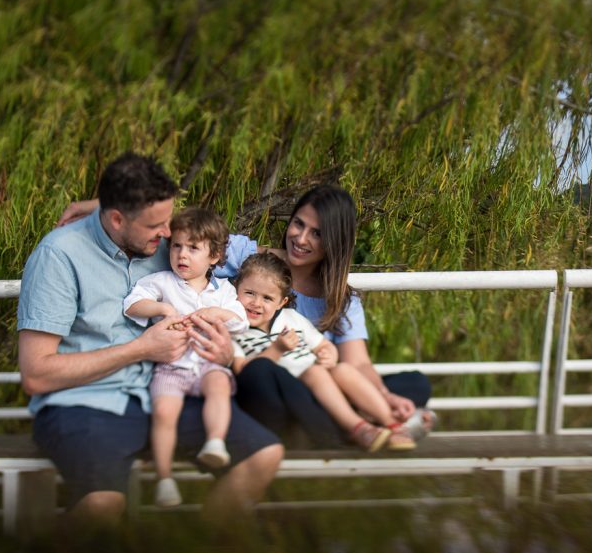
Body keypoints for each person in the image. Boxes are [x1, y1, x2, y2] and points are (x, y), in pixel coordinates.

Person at [57, 184, 434, 449]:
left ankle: (360, 421)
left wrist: (385, 394)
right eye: (298, 223)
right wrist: (104, 207)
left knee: (413, 384)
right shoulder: (245, 259)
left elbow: (358, 365)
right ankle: (358, 426)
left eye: (317, 233)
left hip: (322, 389)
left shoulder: (342, 300)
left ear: (335, 241)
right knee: (265, 372)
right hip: (263, 386)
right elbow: (186, 225)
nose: (301, 238)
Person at [19, 152, 282, 526]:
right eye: (157, 226)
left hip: (164, 391)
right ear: (116, 219)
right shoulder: (58, 256)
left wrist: (224, 353)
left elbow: (236, 251)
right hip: (87, 404)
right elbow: (36, 374)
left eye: (168, 222)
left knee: (264, 454)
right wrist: (141, 349)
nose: (167, 235)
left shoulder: (171, 244)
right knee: (103, 505)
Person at [123, 207, 249, 508]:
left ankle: (215, 442)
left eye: (194, 248)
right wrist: (162, 309)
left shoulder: (223, 291)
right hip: (172, 366)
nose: (182, 254)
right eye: (177, 245)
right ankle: (165, 479)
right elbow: (132, 304)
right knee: (165, 412)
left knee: (219, 387)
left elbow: (241, 322)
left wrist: (218, 313)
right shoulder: (161, 283)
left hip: (207, 362)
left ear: (215, 256)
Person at [230, 253, 417, 452]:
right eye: (249, 293)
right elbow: (243, 371)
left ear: (281, 302)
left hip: (323, 384)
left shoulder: (291, 318)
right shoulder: (234, 330)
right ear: (235, 290)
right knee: (314, 372)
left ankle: (392, 425)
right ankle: (358, 427)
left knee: (343, 369)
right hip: (292, 394)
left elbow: (321, 345)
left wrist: (329, 355)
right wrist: (276, 350)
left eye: (267, 298)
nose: (256, 303)